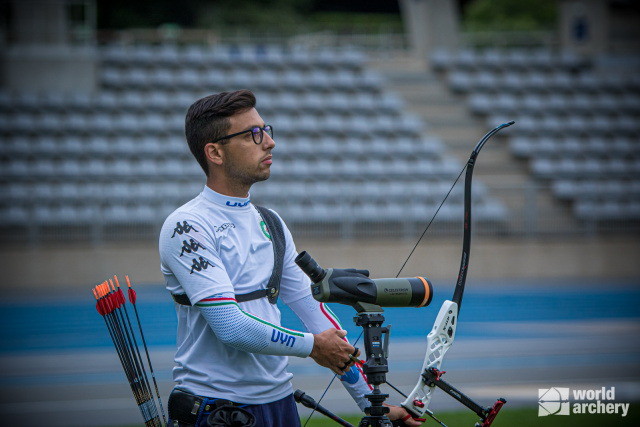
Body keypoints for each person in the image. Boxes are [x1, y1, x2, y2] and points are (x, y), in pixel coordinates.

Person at [159, 90, 423, 427]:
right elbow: (230, 327)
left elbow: (317, 317)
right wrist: (312, 347)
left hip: (280, 405)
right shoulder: (186, 226)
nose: (269, 142)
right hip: (215, 410)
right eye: (253, 134)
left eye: (266, 129)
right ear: (215, 152)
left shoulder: (271, 223)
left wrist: (373, 404)